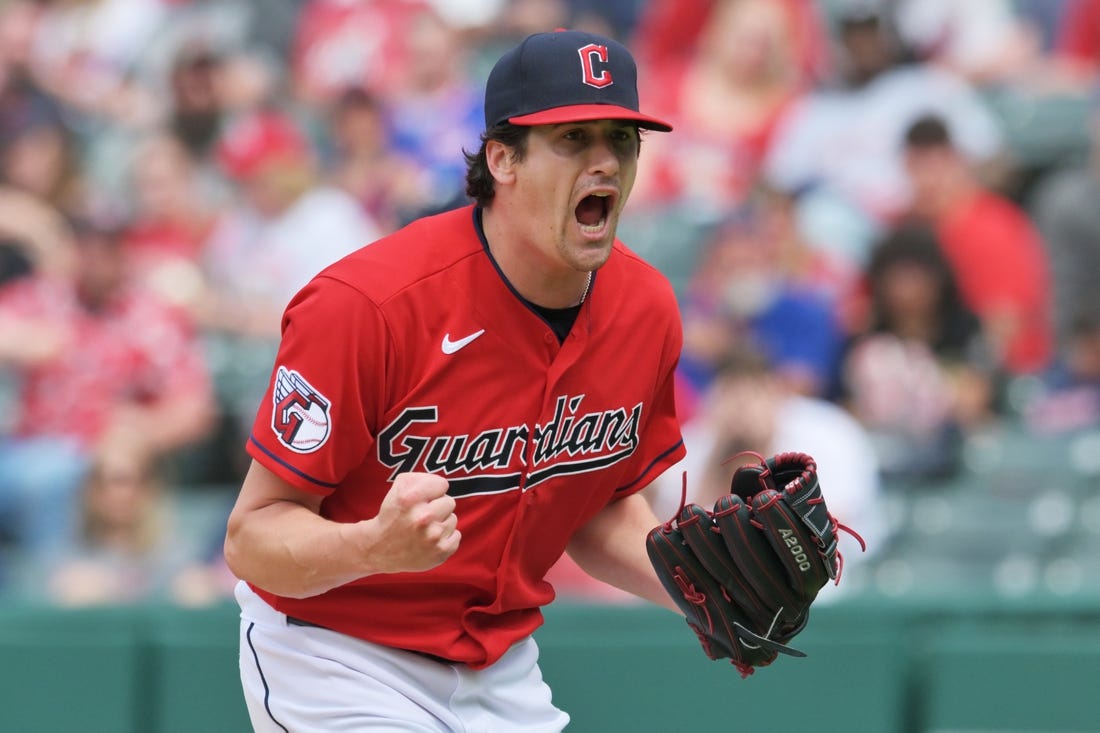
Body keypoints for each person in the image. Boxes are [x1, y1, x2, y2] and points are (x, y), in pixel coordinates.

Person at [223, 29, 686, 731]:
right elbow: (251, 537)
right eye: (572, 139)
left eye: (621, 140)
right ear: (502, 158)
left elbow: (597, 506)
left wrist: (697, 587)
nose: (604, 162)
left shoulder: (644, 309)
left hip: (499, 664)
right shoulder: (366, 305)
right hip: (336, 654)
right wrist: (371, 547)